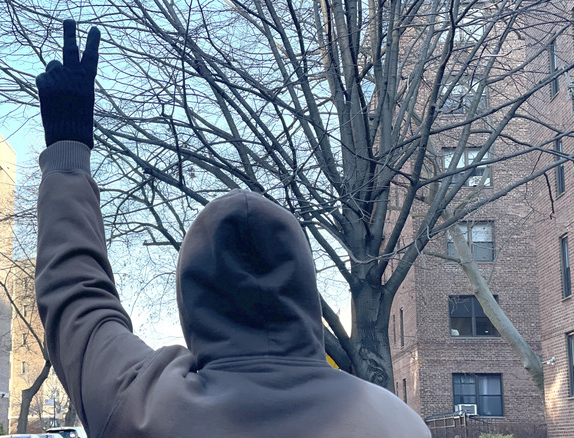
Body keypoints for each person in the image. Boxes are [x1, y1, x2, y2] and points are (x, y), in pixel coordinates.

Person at [35, 19, 432, 438]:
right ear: (303, 285)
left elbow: (77, 298)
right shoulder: (398, 423)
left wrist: (68, 152)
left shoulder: (144, 407)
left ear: (194, 297)